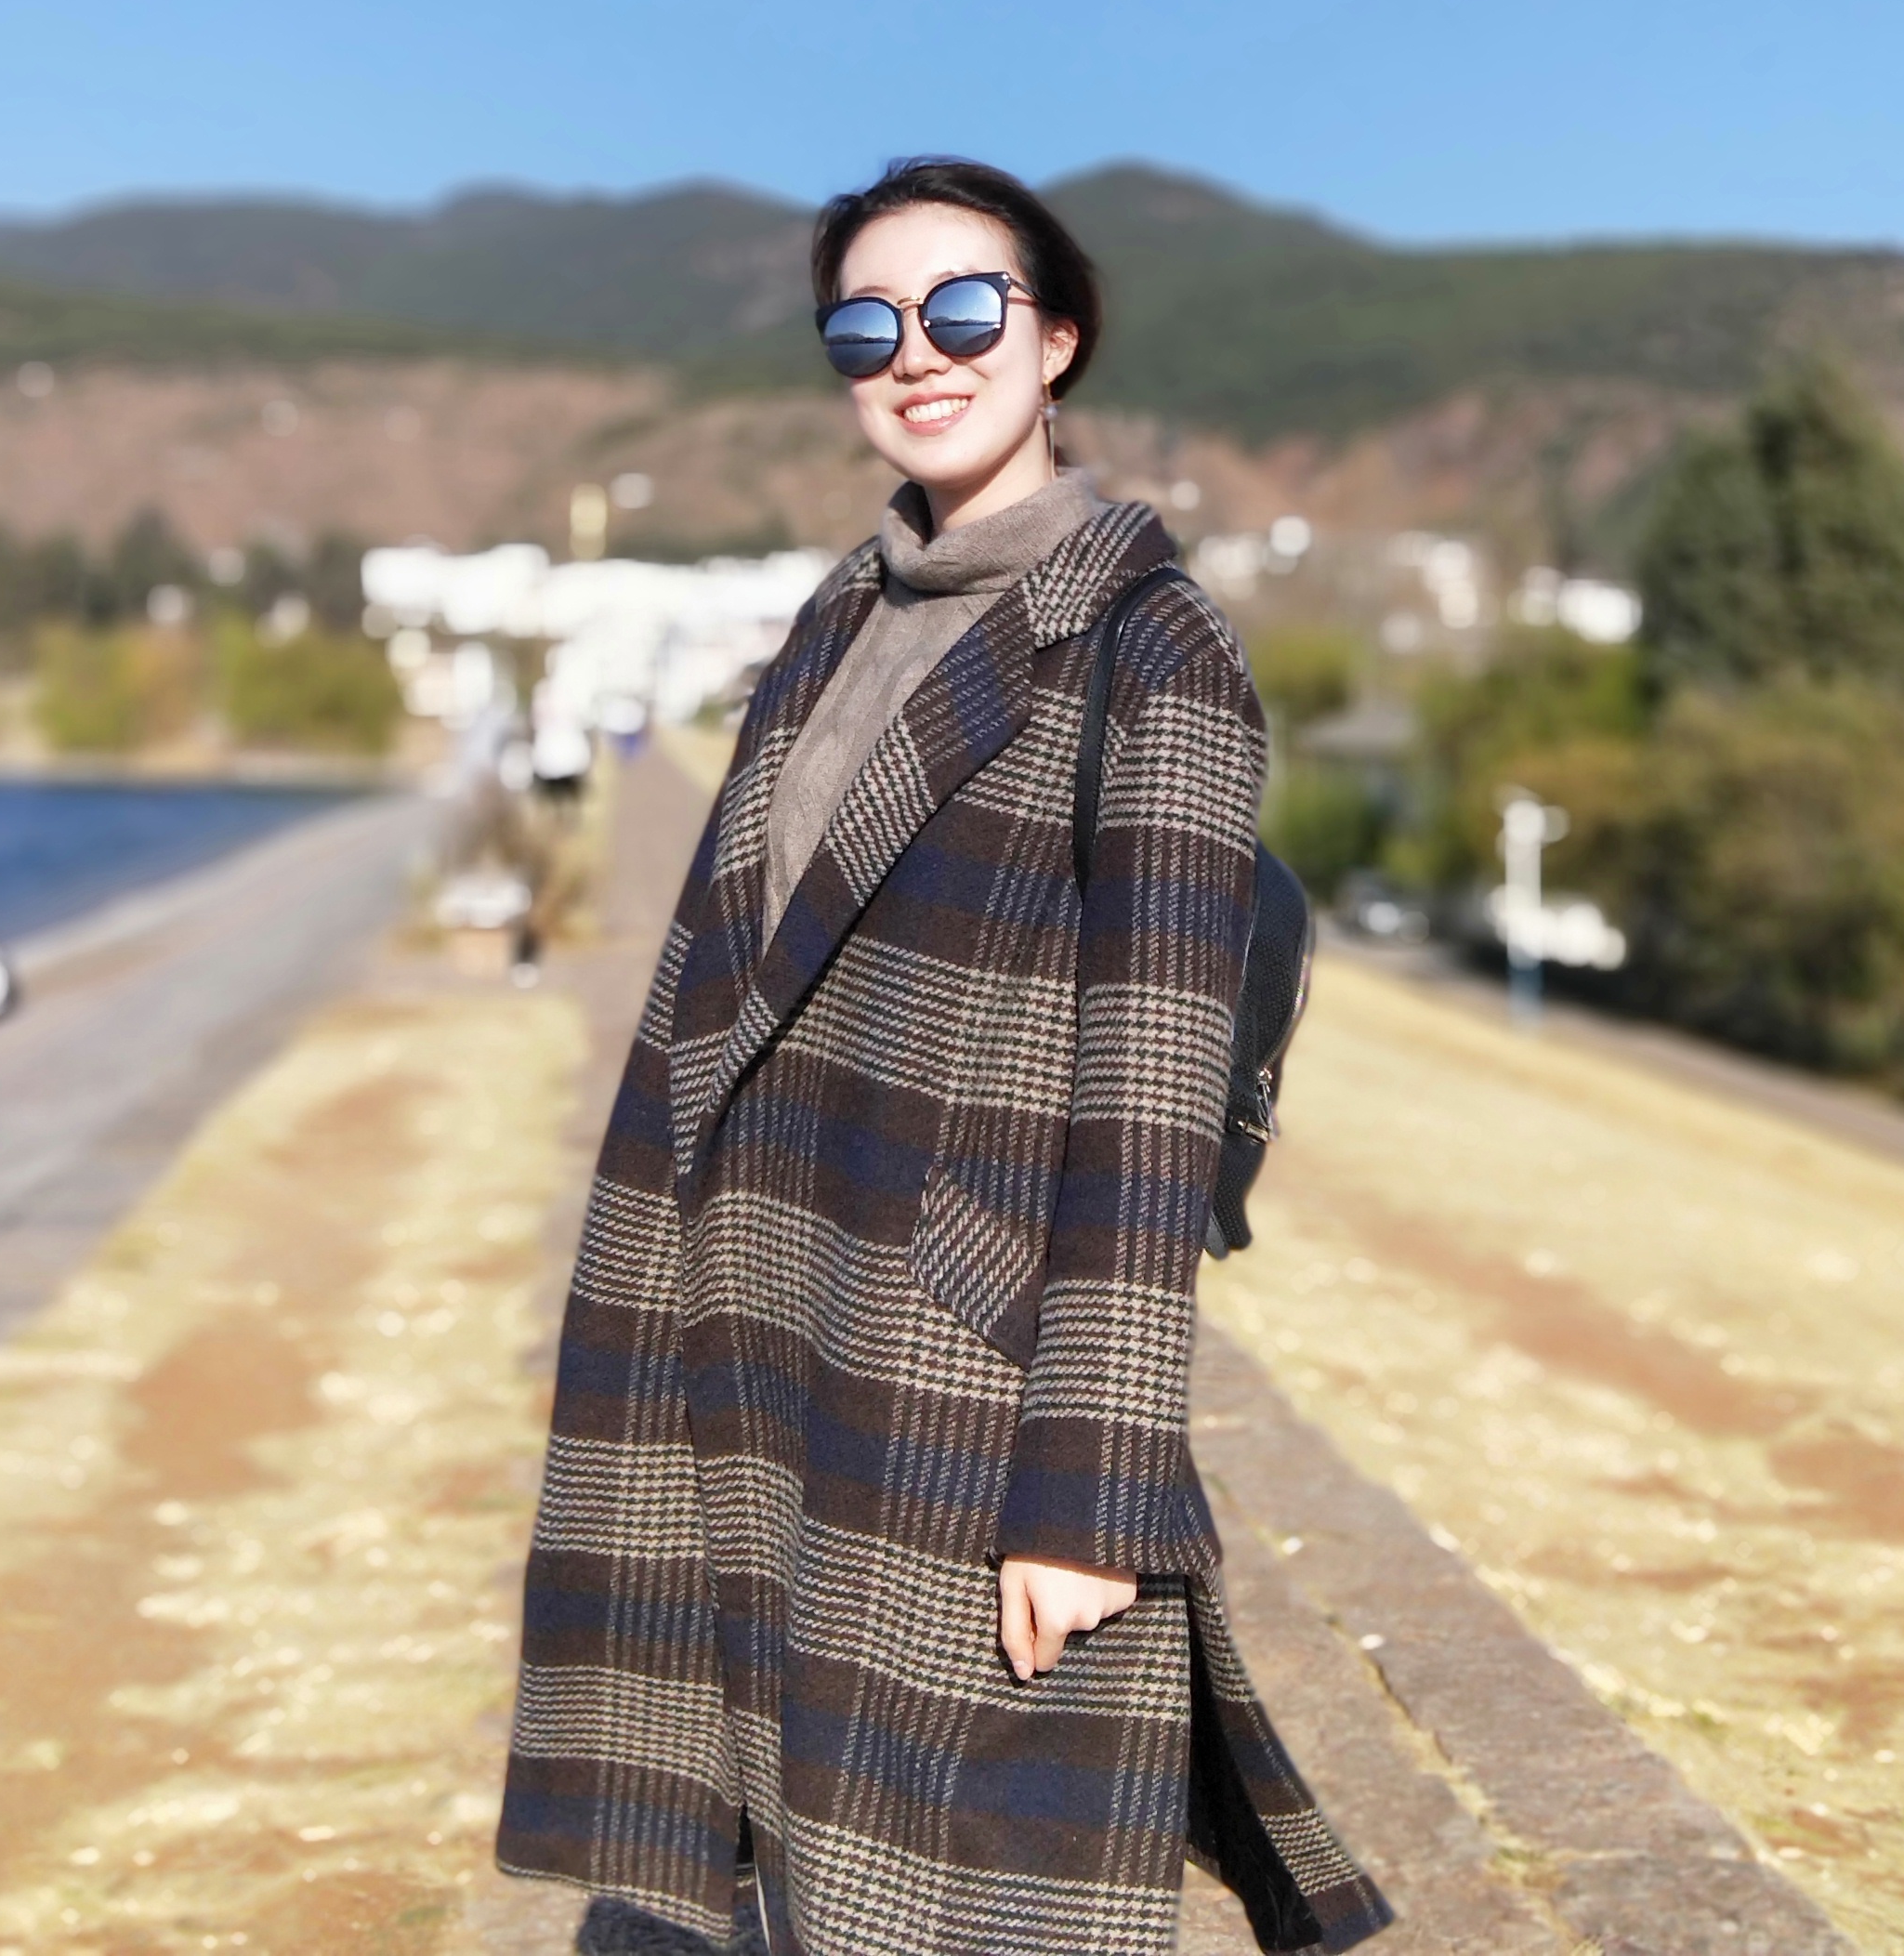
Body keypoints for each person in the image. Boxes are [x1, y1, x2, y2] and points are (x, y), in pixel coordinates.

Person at [498, 157, 1392, 1956]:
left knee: (943, 1886)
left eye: (964, 309)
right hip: (749, 1318)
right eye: (867, 325)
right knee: (782, 1845)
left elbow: (1147, 1115)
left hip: (949, 1370)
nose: (917, 353)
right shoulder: (840, 620)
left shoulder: (1153, 654)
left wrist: (1090, 1497)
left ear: (1056, 342)